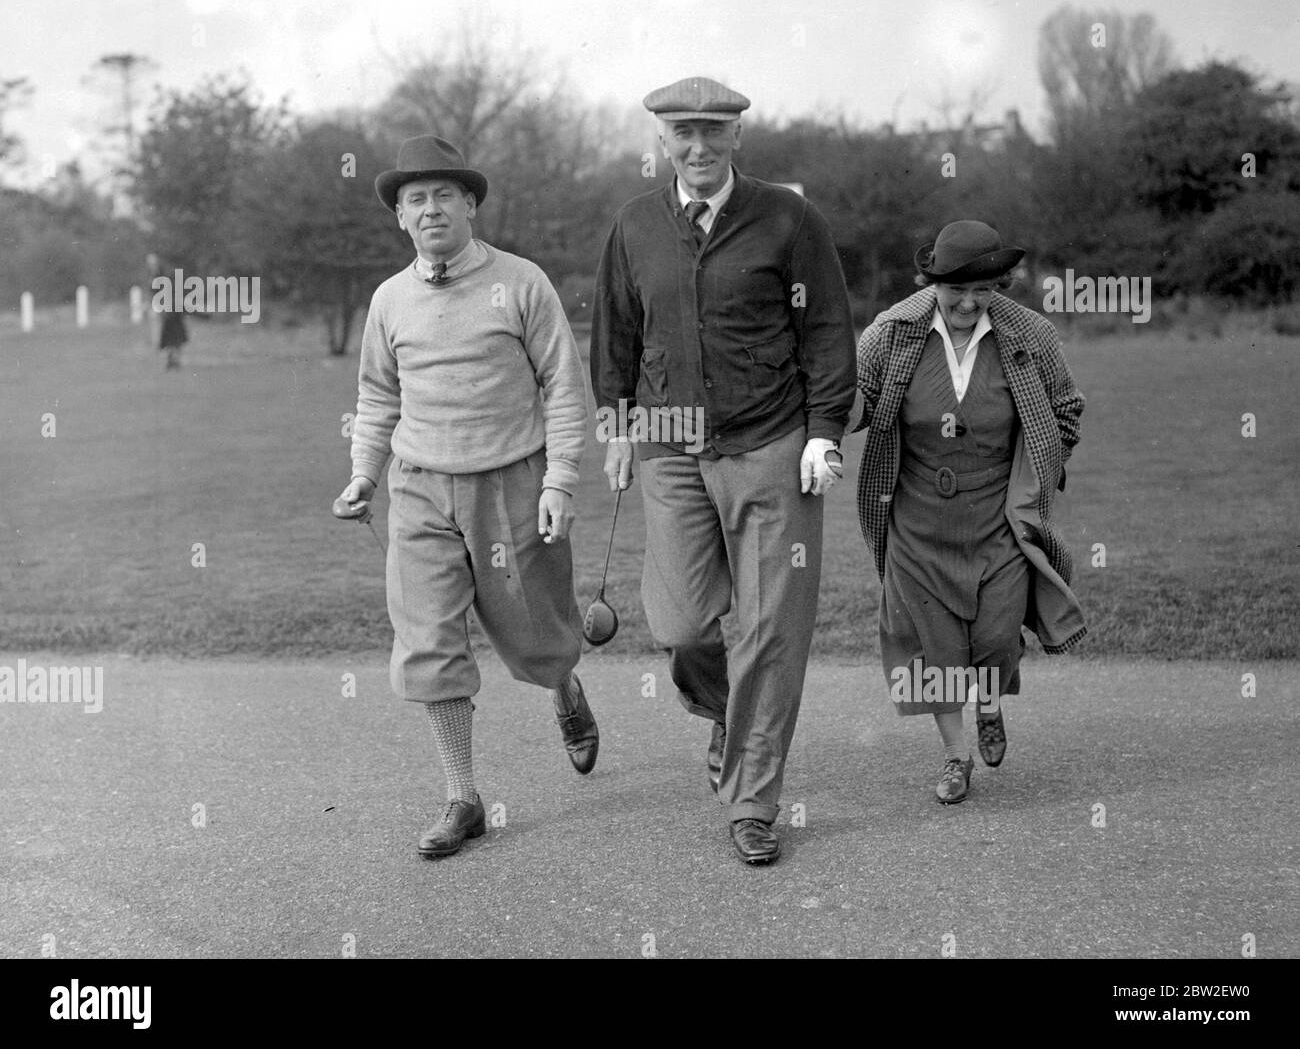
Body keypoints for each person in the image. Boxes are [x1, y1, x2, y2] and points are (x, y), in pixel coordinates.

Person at [592, 77, 856, 866]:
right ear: (661, 141)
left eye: (714, 131)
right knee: (680, 623)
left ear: (739, 136)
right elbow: (615, 334)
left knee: (773, 629)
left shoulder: (788, 218)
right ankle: (722, 713)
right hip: (669, 446)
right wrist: (613, 424)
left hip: (773, 443)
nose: (698, 147)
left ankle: (753, 803)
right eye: (683, 134)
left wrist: (824, 431)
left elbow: (830, 331)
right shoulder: (636, 225)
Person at [339, 134, 599, 859]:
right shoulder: (389, 299)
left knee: (537, 634)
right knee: (428, 640)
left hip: (511, 480)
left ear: (471, 204)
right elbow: (377, 393)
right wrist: (363, 472)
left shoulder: (521, 282)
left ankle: (563, 688)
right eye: (414, 200)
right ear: (399, 218)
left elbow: (563, 386)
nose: (429, 210)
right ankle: (463, 797)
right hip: (419, 487)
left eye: (443, 195)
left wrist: (559, 482)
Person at [853, 220, 1087, 804]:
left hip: (998, 518)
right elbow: (853, 399)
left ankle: (989, 701)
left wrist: (1038, 470)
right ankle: (956, 757)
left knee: (997, 637)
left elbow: (1066, 410)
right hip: (917, 517)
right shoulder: (891, 332)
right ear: (930, 282)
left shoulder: (1029, 334)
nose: (967, 302)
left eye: (982, 290)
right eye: (954, 289)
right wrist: (823, 433)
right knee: (936, 647)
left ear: (999, 285)